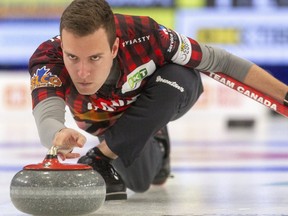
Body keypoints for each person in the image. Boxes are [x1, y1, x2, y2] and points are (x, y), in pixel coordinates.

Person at [29, 0, 288, 201]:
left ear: (115, 48)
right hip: (107, 123)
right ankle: (157, 141)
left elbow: (221, 62)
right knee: (141, 182)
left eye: (95, 58)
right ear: (62, 48)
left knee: (181, 73)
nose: (82, 73)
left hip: (159, 96)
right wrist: (57, 133)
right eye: (72, 57)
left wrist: (284, 94)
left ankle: (103, 154)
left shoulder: (149, 35)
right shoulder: (46, 59)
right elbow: (46, 115)